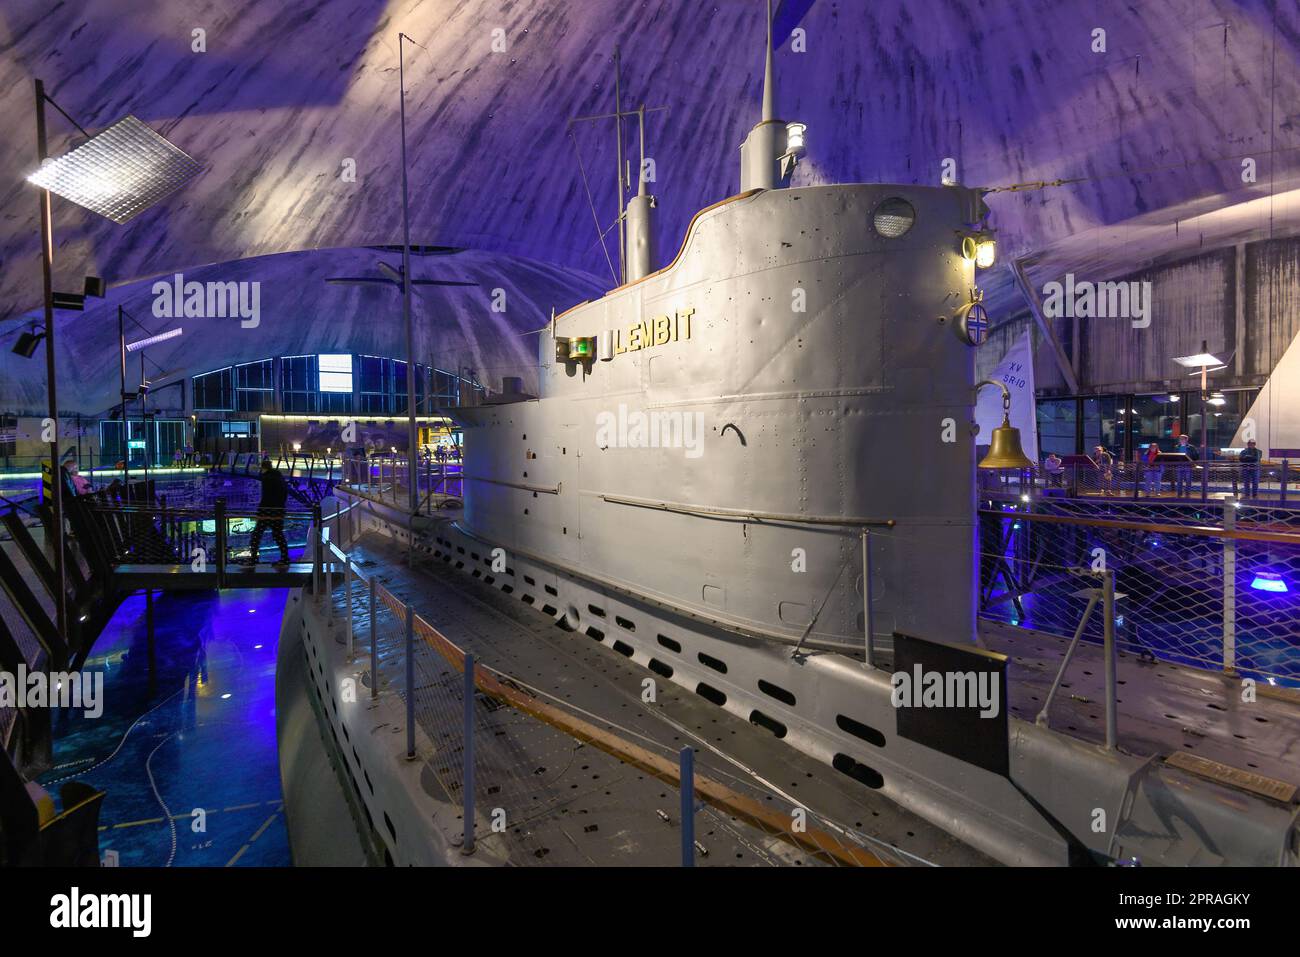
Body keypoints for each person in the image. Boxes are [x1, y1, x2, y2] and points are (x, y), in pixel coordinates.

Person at [246, 457, 290, 565]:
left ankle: (253, 559)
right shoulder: (279, 477)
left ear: (263, 468)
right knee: (278, 535)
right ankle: (285, 558)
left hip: (267, 512)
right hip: (278, 511)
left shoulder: (267, 479)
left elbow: (266, 497)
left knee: (256, 536)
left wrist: (260, 512)